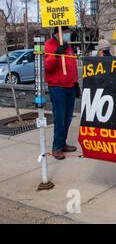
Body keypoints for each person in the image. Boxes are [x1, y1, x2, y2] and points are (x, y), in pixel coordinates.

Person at [44, 26, 80, 160]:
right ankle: (56, 147)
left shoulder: (68, 46)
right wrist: (57, 54)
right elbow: (47, 67)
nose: (67, 35)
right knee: (60, 118)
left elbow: (72, 65)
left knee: (68, 118)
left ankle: (62, 143)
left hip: (69, 86)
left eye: (67, 32)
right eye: (65, 32)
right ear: (57, 33)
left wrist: (75, 83)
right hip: (57, 87)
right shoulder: (49, 45)